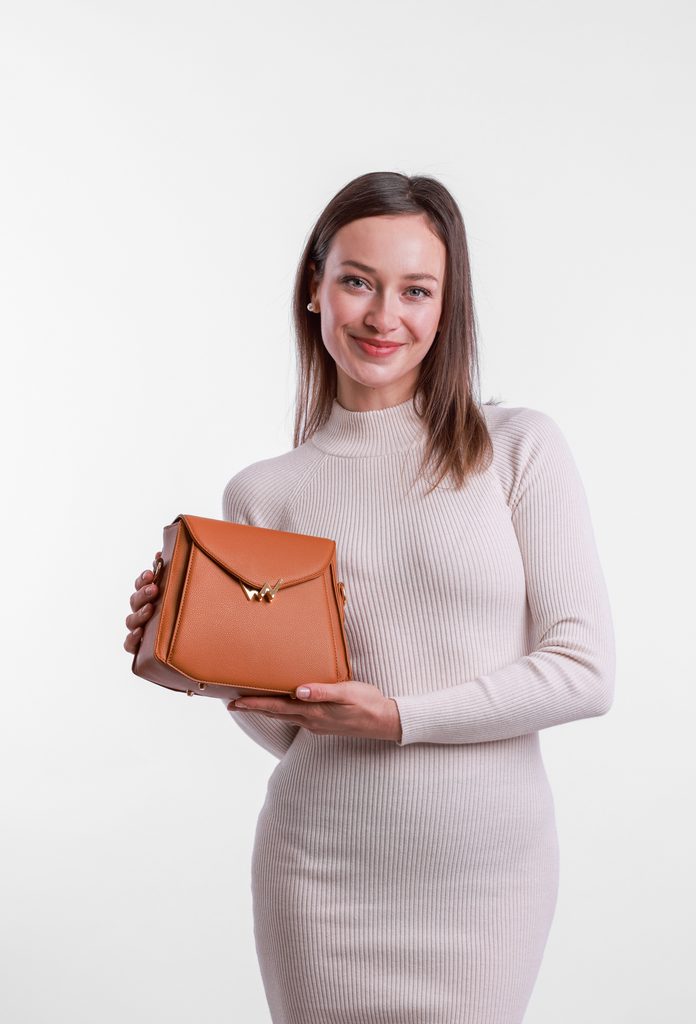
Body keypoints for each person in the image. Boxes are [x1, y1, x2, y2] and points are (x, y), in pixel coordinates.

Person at [123, 170, 615, 1023]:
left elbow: (585, 672)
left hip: (488, 875)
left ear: (447, 307)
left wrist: (398, 717)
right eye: (358, 281)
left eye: (416, 290)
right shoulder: (263, 492)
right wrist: (189, 650)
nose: (385, 316)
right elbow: (291, 729)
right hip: (320, 872)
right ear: (315, 289)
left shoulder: (516, 448)